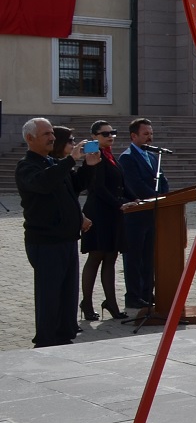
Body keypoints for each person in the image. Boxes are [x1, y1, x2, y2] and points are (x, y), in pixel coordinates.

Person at [18, 118, 99, 346]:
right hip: (45, 242)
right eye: (46, 134)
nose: (52, 137)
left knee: (67, 294)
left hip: (66, 239)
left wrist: (88, 166)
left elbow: (75, 186)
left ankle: (64, 335)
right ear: (30, 138)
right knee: (50, 295)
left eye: (52, 133)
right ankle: (46, 340)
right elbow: (43, 184)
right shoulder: (27, 166)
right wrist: (69, 160)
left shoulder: (53, 162)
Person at [118, 117, 168, 312]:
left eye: (151, 134)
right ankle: (134, 295)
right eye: (145, 134)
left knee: (149, 257)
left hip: (152, 215)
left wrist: (164, 196)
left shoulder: (154, 156)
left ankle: (148, 293)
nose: (150, 137)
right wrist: (155, 197)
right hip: (136, 216)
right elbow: (135, 185)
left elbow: (162, 179)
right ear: (134, 136)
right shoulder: (127, 157)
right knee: (134, 258)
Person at [79, 120, 126, 321]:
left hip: (112, 213)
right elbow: (97, 187)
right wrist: (118, 204)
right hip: (97, 212)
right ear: (94, 137)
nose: (110, 136)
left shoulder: (109, 155)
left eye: (112, 132)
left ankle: (111, 303)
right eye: (105, 133)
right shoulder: (93, 153)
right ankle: (86, 303)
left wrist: (133, 200)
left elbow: (119, 183)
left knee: (110, 257)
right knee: (96, 257)